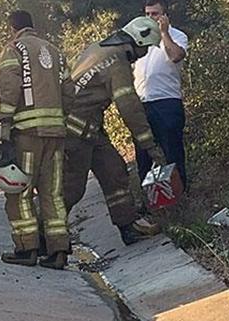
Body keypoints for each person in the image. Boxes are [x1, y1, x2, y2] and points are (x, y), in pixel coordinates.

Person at [63, 17, 169, 245]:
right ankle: (47, 235)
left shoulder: (98, 48)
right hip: (76, 132)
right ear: (138, 41)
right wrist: (149, 145)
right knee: (71, 187)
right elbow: (128, 106)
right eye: (146, 48)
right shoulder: (117, 61)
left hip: (90, 129)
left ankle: (128, 226)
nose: (144, 53)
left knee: (114, 171)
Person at [0, 10, 70, 269]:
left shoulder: (14, 49)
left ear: (11, 28)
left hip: (27, 135)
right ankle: (59, 251)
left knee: (20, 193)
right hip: (56, 135)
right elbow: (69, 91)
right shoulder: (54, 51)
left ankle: (27, 249)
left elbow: (10, 88)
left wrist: (5, 124)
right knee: (53, 194)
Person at [134, 0, 190, 189]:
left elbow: (176, 56)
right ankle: (150, 198)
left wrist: (164, 33)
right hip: (142, 104)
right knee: (143, 155)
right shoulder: (140, 39)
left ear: (164, 15)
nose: (151, 17)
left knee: (172, 152)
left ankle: (181, 194)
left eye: (155, 13)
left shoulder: (177, 36)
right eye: (147, 14)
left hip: (166, 103)